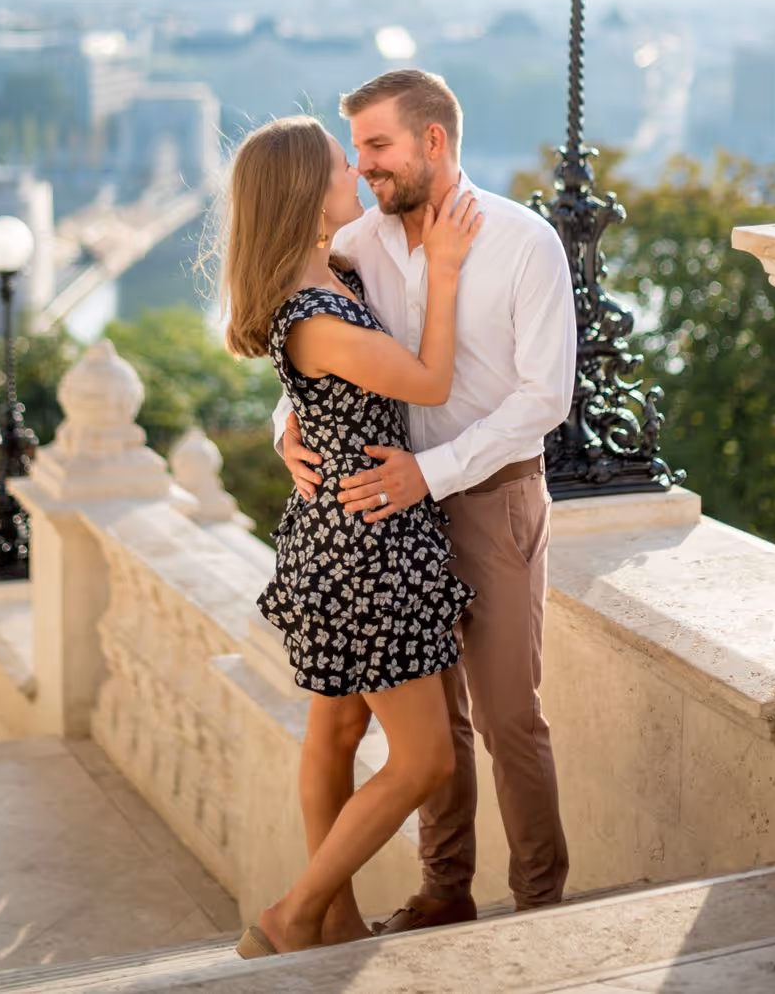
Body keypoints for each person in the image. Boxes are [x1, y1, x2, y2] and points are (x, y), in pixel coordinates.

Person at [276, 69, 576, 930]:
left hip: (490, 497)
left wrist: (431, 474)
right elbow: (317, 345)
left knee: (508, 716)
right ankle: (445, 891)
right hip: (388, 515)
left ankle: (539, 905)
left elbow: (544, 398)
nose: (363, 167)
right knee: (432, 726)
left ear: (433, 142)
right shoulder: (359, 244)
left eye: (377, 146)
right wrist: (283, 431)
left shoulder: (524, 242)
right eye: (357, 151)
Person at [216, 114, 482, 959]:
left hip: (345, 533)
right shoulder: (319, 316)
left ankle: (330, 924)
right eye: (341, 165)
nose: (356, 177)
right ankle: (295, 915)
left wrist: (288, 424)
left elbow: (319, 398)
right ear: (304, 191)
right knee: (425, 761)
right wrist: (443, 272)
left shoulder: (332, 280)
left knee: (334, 734)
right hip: (367, 548)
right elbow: (431, 379)